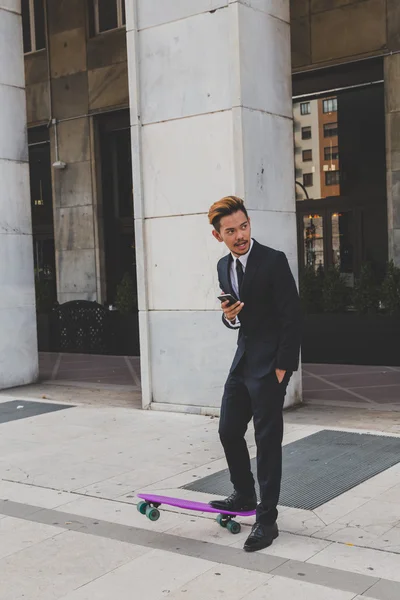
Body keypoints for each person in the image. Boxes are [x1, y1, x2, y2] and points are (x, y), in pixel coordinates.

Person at [208, 196, 301, 552]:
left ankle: (267, 520)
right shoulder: (222, 266)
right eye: (231, 231)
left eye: (243, 226)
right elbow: (233, 316)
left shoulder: (273, 261)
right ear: (219, 235)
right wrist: (230, 315)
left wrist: (283, 368)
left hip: (271, 366)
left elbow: (292, 317)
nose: (240, 235)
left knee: (266, 442)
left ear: (249, 224)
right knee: (228, 430)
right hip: (243, 359)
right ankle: (244, 495)